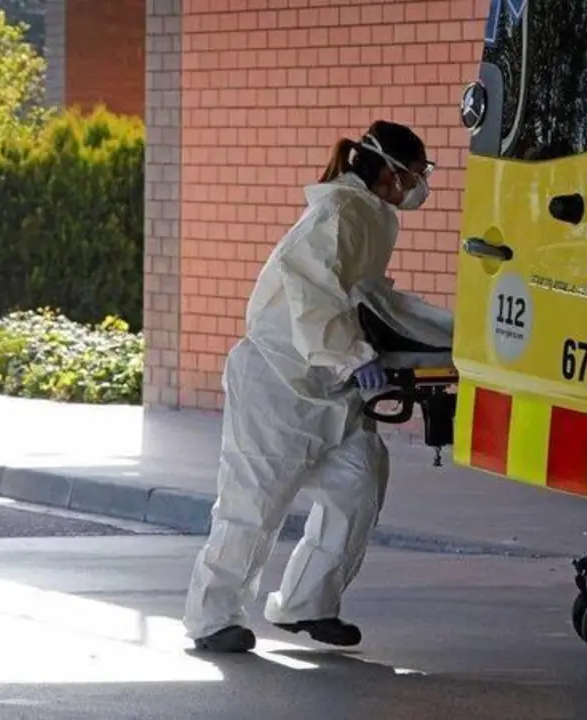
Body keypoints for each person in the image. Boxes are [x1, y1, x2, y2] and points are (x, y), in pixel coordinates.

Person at [183, 121, 454, 653]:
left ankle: (306, 604)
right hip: (278, 383)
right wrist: (353, 358)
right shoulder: (340, 213)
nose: (420, 184)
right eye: (416, 173)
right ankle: (212, 617)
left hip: (329, 385)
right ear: (388, 170)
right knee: (254, 502)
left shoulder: (371, 216)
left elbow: (370, 298)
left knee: (358, 484)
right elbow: (312, 295)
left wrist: (450, 337)